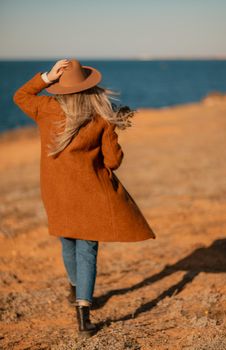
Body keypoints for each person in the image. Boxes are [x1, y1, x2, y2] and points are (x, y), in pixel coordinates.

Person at [13, 59, 156, 338]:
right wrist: (113, 133)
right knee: (87, 249)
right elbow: (113, 162)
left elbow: (20, 96)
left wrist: (46, 77)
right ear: (90, 87)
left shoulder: (46, 109)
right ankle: (83, 315)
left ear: (59, 87)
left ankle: (74, 289)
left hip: (56, 191)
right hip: (91, 193)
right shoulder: (101, 116)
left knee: (67, 239)